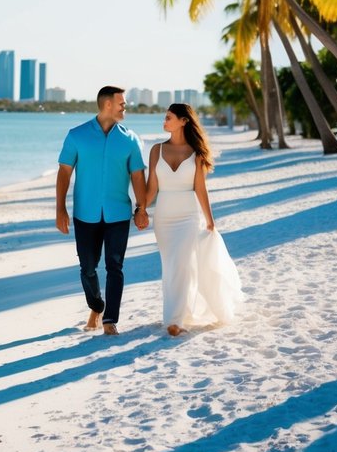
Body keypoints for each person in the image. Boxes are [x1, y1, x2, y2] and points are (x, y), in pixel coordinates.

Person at [145, 102, 243, 336]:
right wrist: (140, 209)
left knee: (183, 265)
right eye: (165, 117)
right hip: (163, 218)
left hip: (188, 216)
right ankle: (175, 314)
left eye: (169, 117)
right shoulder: (156, 150)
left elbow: (200, 188)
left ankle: (176, 320)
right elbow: (152, 188)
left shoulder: (196, 153)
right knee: (170, 267)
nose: (165, 120)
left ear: (183, 121)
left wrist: (210, 219)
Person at [56, 86, 148, 335]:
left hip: (118, 214)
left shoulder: (130, 139)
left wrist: (142, 208)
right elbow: (64, 173)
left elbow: (138, 176)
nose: (125, 107)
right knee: (87, 267)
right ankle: (96, 306)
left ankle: (110, 320)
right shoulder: (77, 135)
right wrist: (60, 209)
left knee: (114, 266)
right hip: (85, 214)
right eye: (122, 104)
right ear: (108, 104)